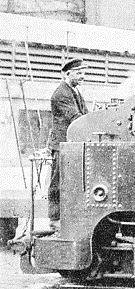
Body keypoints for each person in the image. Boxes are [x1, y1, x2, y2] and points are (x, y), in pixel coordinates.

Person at [48, 58, 88, 232]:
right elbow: (76, 118)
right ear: (67, 73)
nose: (82, 76)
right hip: (62, 146)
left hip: (71, 145)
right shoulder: (61, 94)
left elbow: (85, 114)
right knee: (58, 183)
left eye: (83, 72)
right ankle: (55, 219)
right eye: (79, 73)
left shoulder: (75, 92)